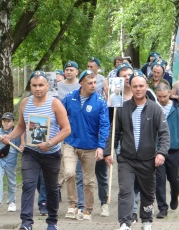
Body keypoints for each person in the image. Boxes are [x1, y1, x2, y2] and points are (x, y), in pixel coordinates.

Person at [1, 70, 71, 230]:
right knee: (28, 184)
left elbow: (66, 129)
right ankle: (26, 223)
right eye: (34, 85)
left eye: (41, 85)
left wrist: (50, 143)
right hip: (31, 153)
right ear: (30, 86)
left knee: (52, 188)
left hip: (51, 154)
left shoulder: (55, 104)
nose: (38, 88)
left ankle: (52, 221)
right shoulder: (25, 103)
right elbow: (21, 126)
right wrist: (9, 137)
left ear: (47, 86)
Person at [105, 69, 170, 230]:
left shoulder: (155, 109)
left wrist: (161, 152)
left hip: (148, 159)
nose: (138, 89)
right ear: (131, 87)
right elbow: (114, 133)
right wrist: (108, 152)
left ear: (146, 87)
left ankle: (146, 220)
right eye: (135, 86)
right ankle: (125, 223)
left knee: (147, 192)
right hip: (126, 159)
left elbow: (164, 133)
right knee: (125, 191)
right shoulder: (122, 108)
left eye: (141, 86)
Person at [62, 69, 110, 221]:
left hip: (90, 146)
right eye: (90, 83)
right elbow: (60, 116)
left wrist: (101, 146)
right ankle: (73, 205)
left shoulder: (100, 102)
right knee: (69, 173)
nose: (93, 85)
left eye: (95, 82)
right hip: (70, 143)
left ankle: (88, 210)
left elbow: (104, 125)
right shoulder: (69, 98)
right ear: (81, 83)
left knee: (88, 180)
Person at [154, 82, 179, 219]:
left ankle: (174, 197)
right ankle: (162, 207)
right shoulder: (152, 107)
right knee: (160, 179)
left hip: (173, 149)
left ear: (169, 93)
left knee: (174, 180)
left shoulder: (178, 107)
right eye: (159, 97)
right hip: (157, 150)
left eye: (164, 96)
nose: (162, 99)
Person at [57, 61, 83, 209]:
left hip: (77, 130)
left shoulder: (81, 87)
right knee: (62, 164)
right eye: (66, 70)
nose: (68, 72)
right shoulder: (58, 86)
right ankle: (58, 188)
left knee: (75, 169)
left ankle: (78, 201)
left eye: (71, 69)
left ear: (77, 72)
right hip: (61, 129)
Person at [87, 57, 110, 217]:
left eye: (92, 66)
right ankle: (83, 205)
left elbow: (110, 98)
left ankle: (104, 203)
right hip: (84, 140)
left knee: (100, 174)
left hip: (99, 138)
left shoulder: (103, 81)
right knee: (82, 176)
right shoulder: (81, 87)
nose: (90, 68)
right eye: (88, 66)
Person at [0, 112, 23, 213]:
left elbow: (21, 146)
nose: (6, 123)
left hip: (11, 162)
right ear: (1, 122)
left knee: (11, 182)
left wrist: (21, 148)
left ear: (12, 122)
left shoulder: (16, 134)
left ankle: (11, 202)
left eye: (9, 121)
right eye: (4, 121)